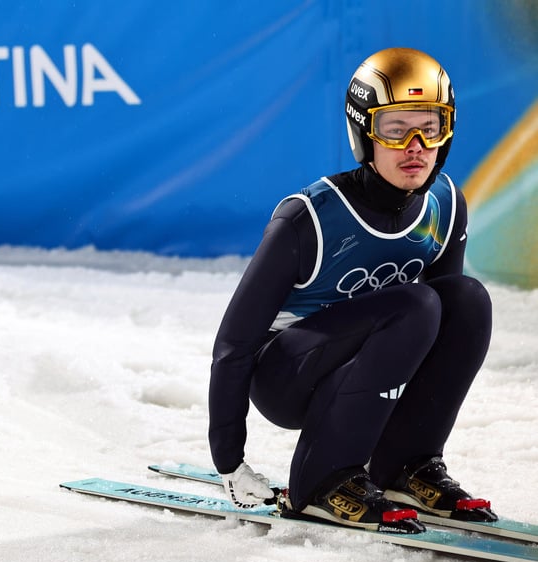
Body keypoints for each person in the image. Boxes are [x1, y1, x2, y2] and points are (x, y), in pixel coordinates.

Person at [207, 47, 496, 533]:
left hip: (366, 359)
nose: (417, 145)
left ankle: (406, 467)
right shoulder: (310, 219)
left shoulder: (444, 203)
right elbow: (233, 345)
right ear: (364, 133)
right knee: (415, 303)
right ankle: (321, 479)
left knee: (465, 301)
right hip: (287, 375)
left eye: (431, 125)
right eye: (395, 129)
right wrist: (229, 462)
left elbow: (444, 337)